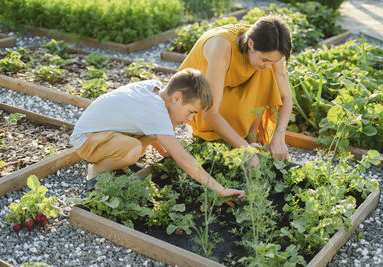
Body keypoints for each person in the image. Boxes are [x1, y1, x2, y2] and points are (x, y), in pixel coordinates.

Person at [70, 68, 245, 201]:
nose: (191, 119)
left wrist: (163, 151)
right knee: (134, 150)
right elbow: (183, 158)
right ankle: (96, 170)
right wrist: (220, 190)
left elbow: (152, 126)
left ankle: (120, 159)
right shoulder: (155, 111)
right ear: (176, 98)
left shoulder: (157, 90)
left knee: (146, 142)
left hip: (106, 132)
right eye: (191, 112)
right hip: (86, 139)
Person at [179, 15, 293, 167]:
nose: (268, 65)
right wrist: (244, 149)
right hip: (197, 101)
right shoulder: (222, 47)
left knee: (267, 71)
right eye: (265, 60)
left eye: (273, 61)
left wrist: (279, 136)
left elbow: (286, 98)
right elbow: (210, 113)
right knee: (265, 70)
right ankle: (242, 142)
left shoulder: (269, 50)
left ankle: (250, 139)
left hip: (230, 100)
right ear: (250, 43)